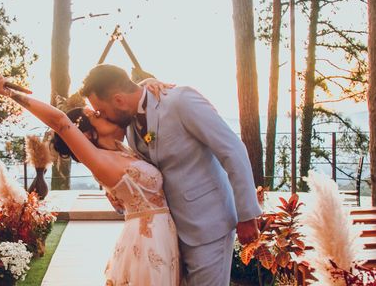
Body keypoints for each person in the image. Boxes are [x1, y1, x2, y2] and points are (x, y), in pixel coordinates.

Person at [0, 76, 182, 285]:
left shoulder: (124, 149)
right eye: (98, 115)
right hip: (148, 242)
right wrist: (9, 93)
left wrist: (147, 83)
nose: (105, 114)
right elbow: (61, 122)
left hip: (159, 235)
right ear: (87, 135)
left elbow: (129, 100)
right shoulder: (98, 161)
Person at [80, 64, 262, 286]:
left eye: (101, 110)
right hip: (168, 236)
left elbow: (232, 151)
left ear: (118, 100)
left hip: (209, 226)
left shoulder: (180, 101)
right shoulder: (128, 126)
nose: (102, 116)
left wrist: (247, 216)